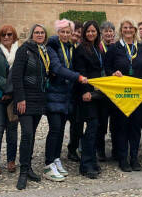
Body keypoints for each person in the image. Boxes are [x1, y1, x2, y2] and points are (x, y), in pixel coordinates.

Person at [104, 18, 142, 172]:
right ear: (121, 30)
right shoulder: (115, 48)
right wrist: (113, 73)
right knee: (122, 127)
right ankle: (123, 159)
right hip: (122, 96)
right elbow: (107, 67)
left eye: (131, 27)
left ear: (135, 30)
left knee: (135, 127)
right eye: (125, 28)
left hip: (138, 96)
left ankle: (134, 158)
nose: (128, 30)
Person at [44, 19, 87, 182]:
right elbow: (56, 68)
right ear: (58, 32)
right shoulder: (52, 47)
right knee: (55, 129)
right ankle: (48, 164)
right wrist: (78, 77)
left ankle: (55, 159)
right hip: (54, 94)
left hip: (66, 95)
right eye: (62, 31)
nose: (66, 34)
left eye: (68, 32)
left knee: (60, 130)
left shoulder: (70, 47)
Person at [9, 24, 50, 190]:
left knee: (32, 134)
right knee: (26, 133)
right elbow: (17, 76)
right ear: (32, 34)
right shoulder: (23, 50)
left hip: (39, 99)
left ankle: (29, 167)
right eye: (37, 32)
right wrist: (20, 98)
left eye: (42, 33)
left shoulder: (43, 51)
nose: (39, 35)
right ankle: (23, 172)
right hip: (25, 99)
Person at [73, 21, 105, 178]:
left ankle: (92, 160)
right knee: (91, 128)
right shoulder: (81, 50)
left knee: (96, 128)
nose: (91, 34)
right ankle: (85, 164)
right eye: (88, 31)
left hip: (99, 94)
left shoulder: (98, 48)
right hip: (88, 94)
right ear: (84, 33)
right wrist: (85, 91)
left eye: (94, 31)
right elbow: (81, 71)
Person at [0, 25, 20, 175]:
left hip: (13, 98)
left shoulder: (19, 53)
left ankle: (11, 160)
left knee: (12, 130)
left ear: (14, 37)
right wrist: (8, 87)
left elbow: (21, 74)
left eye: (9, 34)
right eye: (3, 35)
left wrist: (12, 90)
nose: (6, 37)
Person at [97, 21, 116, 161]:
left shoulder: (117, 48)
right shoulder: (98, 48)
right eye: (106, 31)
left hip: (115, 90)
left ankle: (116, 149)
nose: (109, 33)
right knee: (102, 122)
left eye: (111, 31)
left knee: (115, 122)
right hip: (102, 91)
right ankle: (100, 150)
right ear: (101, 34)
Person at [67, 21, 84, 162]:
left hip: (76, 91)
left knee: (77, 123)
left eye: (78, 32)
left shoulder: (78, 48)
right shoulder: (64, 47)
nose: (76, 34)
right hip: (65, 91)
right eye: (74, 31)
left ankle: (72, 148)